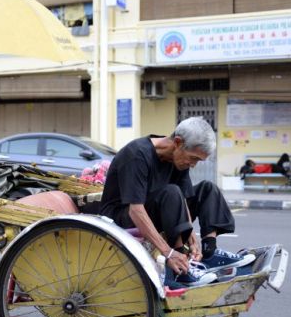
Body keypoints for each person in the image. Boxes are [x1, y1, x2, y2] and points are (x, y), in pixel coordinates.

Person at [100, 117, 255, 287]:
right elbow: (135, 210)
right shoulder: (137, 154)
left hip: (159, 208)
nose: (193, 165)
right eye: (193, 158)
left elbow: (185, 199)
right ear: (178, 142)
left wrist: (191, 235)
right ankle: (182, 269)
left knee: (207, 189)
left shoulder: (178, 159)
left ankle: (210, 253)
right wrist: (169, 252)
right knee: (171, 192)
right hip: (121, 216)